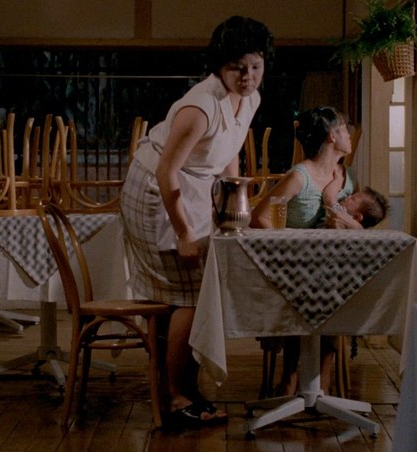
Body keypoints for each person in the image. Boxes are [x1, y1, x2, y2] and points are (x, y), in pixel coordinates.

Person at [119, 16, 273, 428]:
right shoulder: (200, 106)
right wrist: (185, 233)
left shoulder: (250, 99)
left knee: (198, 285)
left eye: (255, 66)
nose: (248, 76)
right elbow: (166, 171)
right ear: (220, 66)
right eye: (237, 68)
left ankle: (183, 386)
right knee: (189, 291)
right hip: (154, 189)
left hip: (192, 186)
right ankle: (176, 397)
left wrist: (233, 206)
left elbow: (230, 152)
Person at [250, 106, 380, 396]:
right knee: (314, 291)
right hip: (295, 269)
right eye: (343, 129)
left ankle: (322, 379)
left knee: (334, 289)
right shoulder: (300, 176)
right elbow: (259, 217)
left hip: (335, 271)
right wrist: (287, 247)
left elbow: (362, 227)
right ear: (332, 136)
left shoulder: (349, 178)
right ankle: (293, 375)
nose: (348, 134)